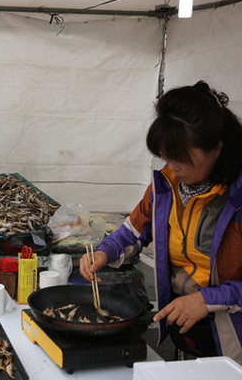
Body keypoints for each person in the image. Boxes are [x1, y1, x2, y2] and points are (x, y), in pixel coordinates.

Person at [80, 81, 242, 363]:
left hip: (234, 336)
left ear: (216, 148)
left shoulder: (237, 199)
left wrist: (206, 300)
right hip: (184, 325)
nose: (172, 165)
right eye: (166, 155)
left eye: (181, 158)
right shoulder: (165, 186)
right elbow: (132, 232)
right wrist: (105, 252)